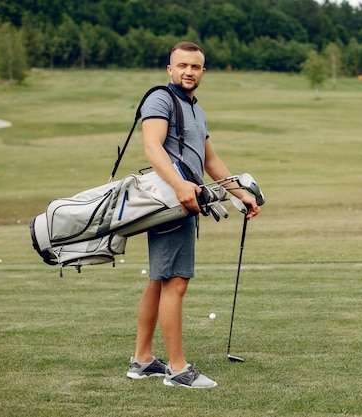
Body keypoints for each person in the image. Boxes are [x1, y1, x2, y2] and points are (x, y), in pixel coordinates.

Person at [126, 41, 260, 388]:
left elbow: (210, 161)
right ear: (170, 69)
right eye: (182, 65)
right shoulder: (160, 98)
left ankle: (142, 361)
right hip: (171, 203)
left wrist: (240, 194)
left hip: (184, 202)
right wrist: (181, 186)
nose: (189, 71)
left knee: (159, 280)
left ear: (203, 71)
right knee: (175, 282)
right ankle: (177, 369)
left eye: (195, 66)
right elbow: (152, 147)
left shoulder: (195, 110)